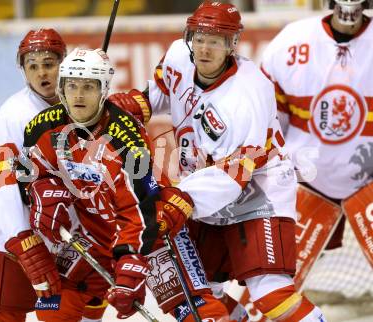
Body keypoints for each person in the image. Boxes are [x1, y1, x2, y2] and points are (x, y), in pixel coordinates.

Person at [109, 1, 326, 321]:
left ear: (231, 45)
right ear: (189, 37)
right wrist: (119, 109)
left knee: (270, 290)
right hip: (203, 187)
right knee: (199, 289)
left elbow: (235, 172)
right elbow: (157, 95)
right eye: (199, 38)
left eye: (215, 41)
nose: (204, 48)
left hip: (258, 191)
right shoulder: (178, 57)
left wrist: (179, 201)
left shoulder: (248, 93)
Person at [22, 47, 232, 322]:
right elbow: (28, 173)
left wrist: (132, 259)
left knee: (195, 310)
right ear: (61, 89)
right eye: (72, 85)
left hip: (153, 230)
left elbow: (142, 206)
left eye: (89, 86)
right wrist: (39, 192)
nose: (79, 95)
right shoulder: (41, 127)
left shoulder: (125, 138)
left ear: (104, 90)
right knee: (55, 303)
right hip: (92, 231)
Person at [260, 0, 373, 274]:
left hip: (369, 183)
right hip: (305, 183)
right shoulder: (291, 40)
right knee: (278, 275)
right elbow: (267, 120)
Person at [0, 29, 67, 322]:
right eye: (32, 66)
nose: (42, 73)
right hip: (9, 230)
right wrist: (21, 238)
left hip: (57, 230)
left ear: (64, 62)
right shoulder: (13, 114)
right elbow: (0, 182)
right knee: (4, 315)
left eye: (49, 63)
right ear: (23, 70)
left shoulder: (77, 102)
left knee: (68, 311)